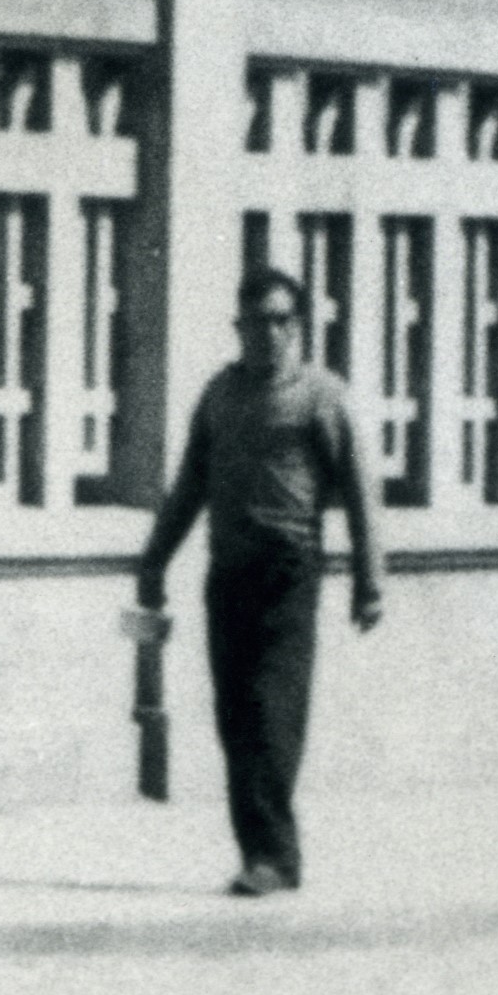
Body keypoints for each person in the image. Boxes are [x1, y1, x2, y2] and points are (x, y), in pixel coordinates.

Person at [134, 263, 382, 895]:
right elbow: (189, 485)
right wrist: (154, 560)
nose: (269, 334)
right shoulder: (220, 397)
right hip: (228, 575)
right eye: (256, 322)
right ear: (237, 328)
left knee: (274, 717)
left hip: (290, 574)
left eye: (281, 321)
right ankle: (260, 854)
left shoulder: (321, 397)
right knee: (234, 719)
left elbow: (359, 490)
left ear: (298, 327)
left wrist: (368, 580)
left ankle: (275, 857)